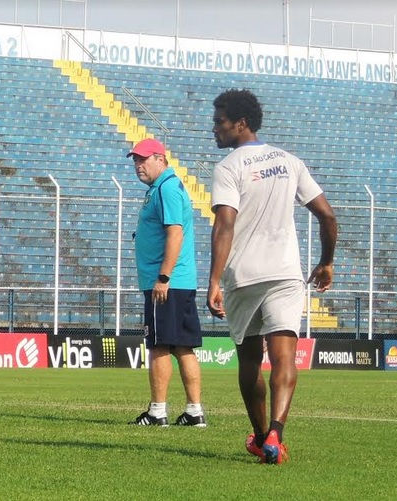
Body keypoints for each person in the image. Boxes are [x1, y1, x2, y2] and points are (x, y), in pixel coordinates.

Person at [207, 89, 337, 464]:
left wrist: (214, 280)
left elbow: (225, 224)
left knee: (249, 362)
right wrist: (326, 262)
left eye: (219, 122)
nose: (214, 129)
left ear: (241, 123)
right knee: (284, 358)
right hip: (285, 272)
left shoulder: (229, 167)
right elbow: (327, 216)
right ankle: (276, 435)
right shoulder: (289, 161)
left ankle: (263, 436)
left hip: (244, 276)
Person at [125, 138, 206, 428]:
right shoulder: (163, 188)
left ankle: (157, 411)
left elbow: (175, 233)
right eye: (135, 160)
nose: (138, 165)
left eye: (143, 159)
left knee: (159, 345)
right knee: (183, 346)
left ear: (161, 159)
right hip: (179, 281)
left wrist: (163, 277)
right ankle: (194, 412)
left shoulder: (166, 188)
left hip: (167, 283)